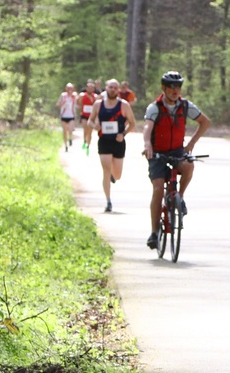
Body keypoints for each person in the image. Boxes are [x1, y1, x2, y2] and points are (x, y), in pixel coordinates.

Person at [143, 71, 210, 249]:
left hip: (177, 151)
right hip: (157, 153)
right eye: (171, 87)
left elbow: (205, 122)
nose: (175, 90)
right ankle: (154, 232)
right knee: (158, 189)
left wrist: (191, 144)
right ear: (163, 88)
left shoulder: (186, 106)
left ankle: (180, 196)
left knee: (189, 165)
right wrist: (147, 145)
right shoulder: (155, 107)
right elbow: (147, 127)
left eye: (178, 87)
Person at [88, 79, 136, 213]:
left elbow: (132, 123)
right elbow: (90, 121)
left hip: (118, 142)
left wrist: (123, 134)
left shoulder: (124, 105)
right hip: (104, 141)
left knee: (117, 175)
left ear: (118, 90)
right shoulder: (98, 104)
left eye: (115, 87)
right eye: (110, 87)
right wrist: (95, 126)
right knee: (106, 170)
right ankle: (108, 201)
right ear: (106, 88)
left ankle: (113, 176)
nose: (113, 90)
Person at [78, 80, 99, 155]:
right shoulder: (82, 95)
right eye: (88, 88)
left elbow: (98, 106)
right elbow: (78, 103)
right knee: (85, 128)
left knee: (90, 131)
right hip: (84, 115)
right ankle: (84, 140)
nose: (90, 89)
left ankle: (88, 145)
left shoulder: (95, 97)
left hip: (92, 116)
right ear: (86, 88)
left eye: (91, 88)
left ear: (93, 89)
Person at [56, 83, 77, 151]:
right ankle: (66, 145)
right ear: (66, 89)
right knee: (65, 132)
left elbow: (78, 102)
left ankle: (70, 138)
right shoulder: (63, 95)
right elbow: (57, 105)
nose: (69, 90)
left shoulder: (74, 96)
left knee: (70, 129)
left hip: (71, 116)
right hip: (64, 116)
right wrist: (62, 103)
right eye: (68, 88)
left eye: (71, 88)